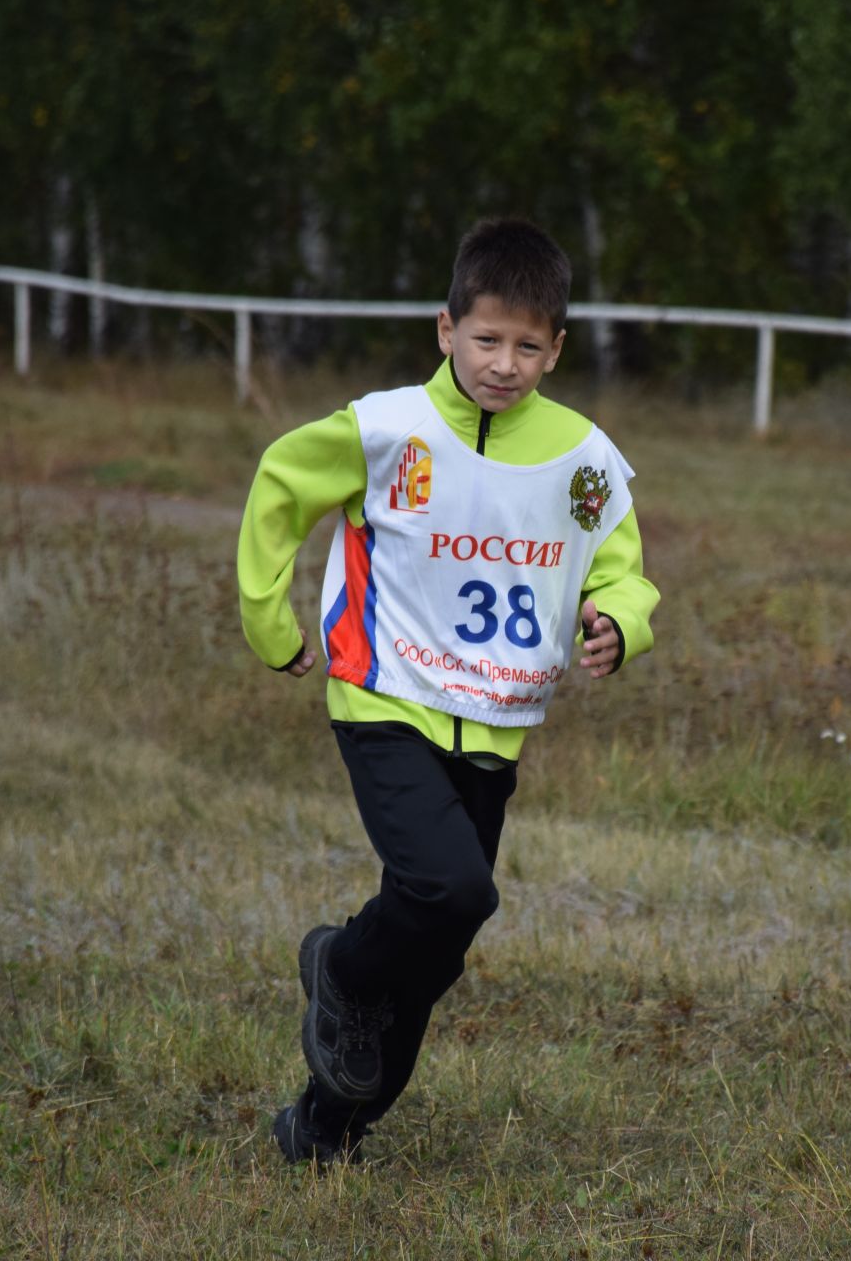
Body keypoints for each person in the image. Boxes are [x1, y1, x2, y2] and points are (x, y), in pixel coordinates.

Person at [237, 217, 660, 1167]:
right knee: (451, 886)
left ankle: (326, 1127)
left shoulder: (585, 458)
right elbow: (279, 486)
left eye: (526, 346)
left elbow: (619, 566)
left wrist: (619, 619)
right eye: (486, 340)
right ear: (444, 329)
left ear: (557, 349)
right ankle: (338, 963)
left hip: (496, 725)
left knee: (439, 943)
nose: (504, 364)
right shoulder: (385, 427)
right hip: (384, 697)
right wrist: (271, 622)